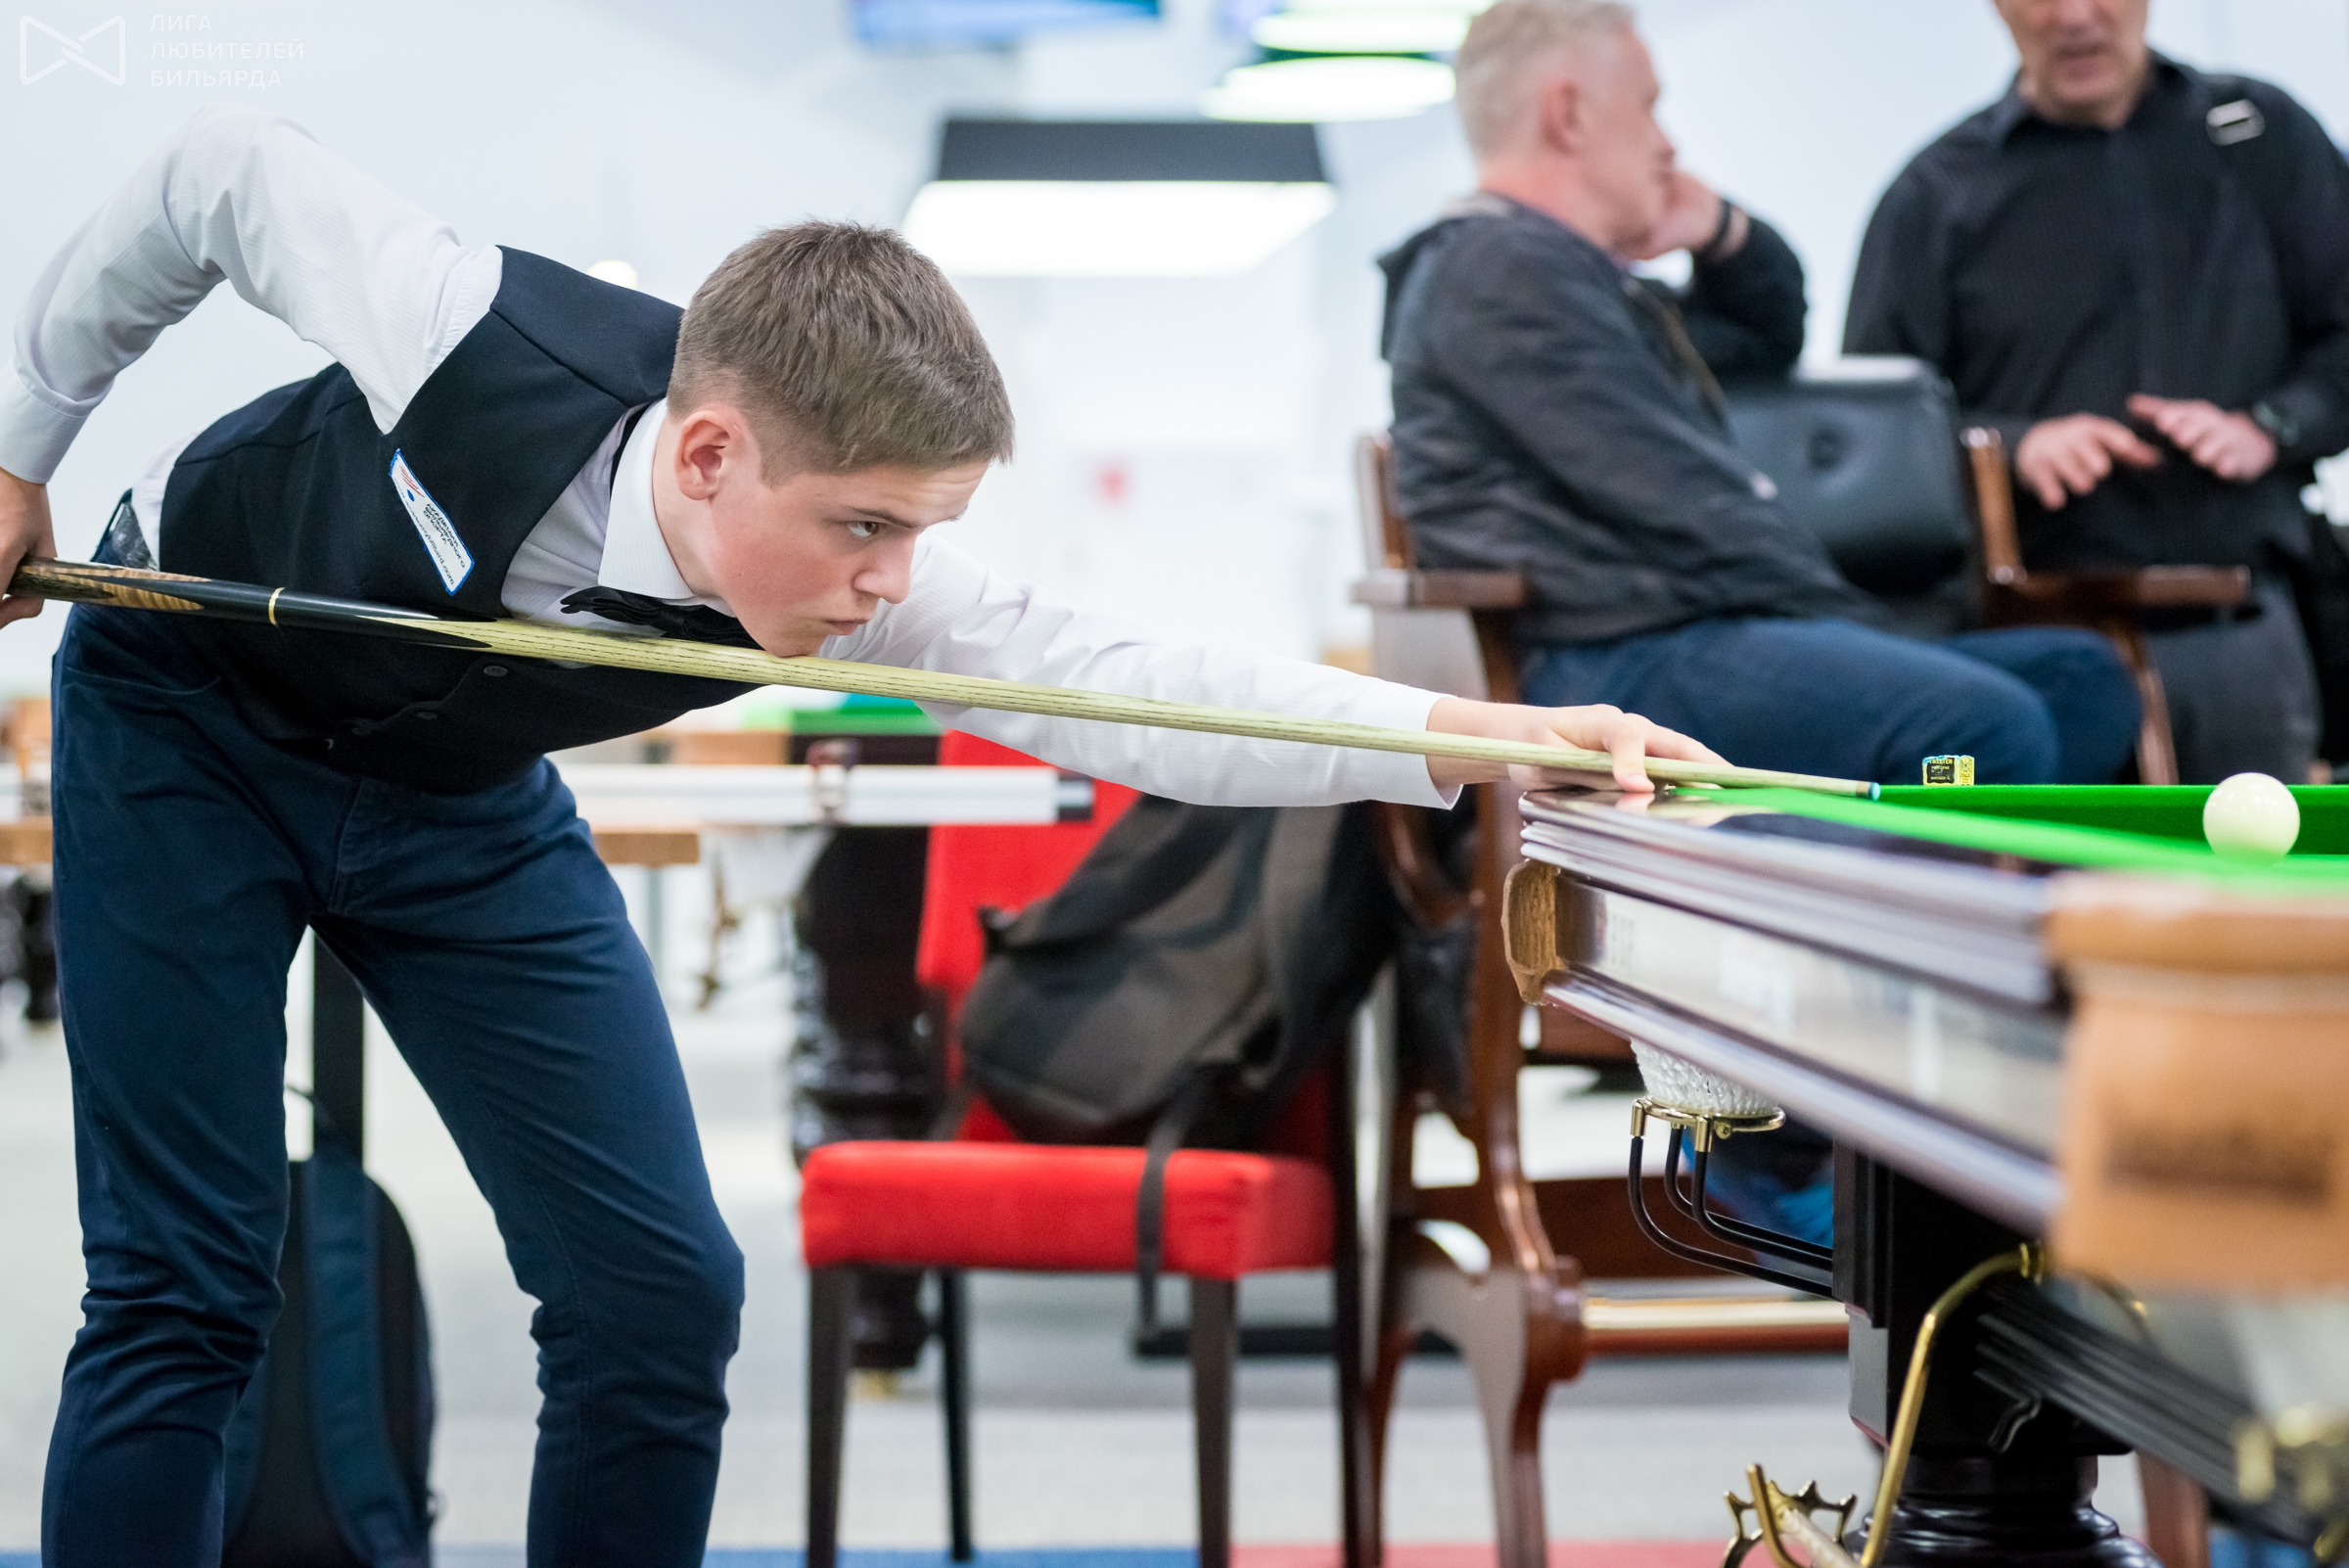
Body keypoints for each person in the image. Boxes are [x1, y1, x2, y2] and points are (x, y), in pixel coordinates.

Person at [0, 108, 1715, 1567]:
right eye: (863, 527)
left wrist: (1490, 741)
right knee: (186, 1287)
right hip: (185, 722)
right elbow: (213, 179)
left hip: (456, 794)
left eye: (922, 531)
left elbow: (1138, 688)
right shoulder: (465, 328)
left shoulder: (863, 573)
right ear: (710, 453)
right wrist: (17, 450)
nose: (892, 582)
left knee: (660, 1295)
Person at [1378, 0, 2142, 789]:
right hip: (1614, 657)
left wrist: (1721, 231)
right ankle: (1873, 866)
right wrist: (1858, 629)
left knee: (2080, 681)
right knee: (1979, 725)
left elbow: (1762, 337)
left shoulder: (1565, 280)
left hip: (1698, 632)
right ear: (1569, 115)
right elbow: (1685, 498)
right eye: (1646, 106)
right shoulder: (1502, 273)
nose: (1667, 143)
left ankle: (1893, 836)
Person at [1846, 0, 2349, 785]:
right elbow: (1869, 439)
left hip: (2248, 627)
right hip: (2036, 648)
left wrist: (2270, 426)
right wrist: (2014, 446)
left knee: (2259, 864)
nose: (2075, 16)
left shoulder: (2260, 134)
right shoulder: (1936, 193)